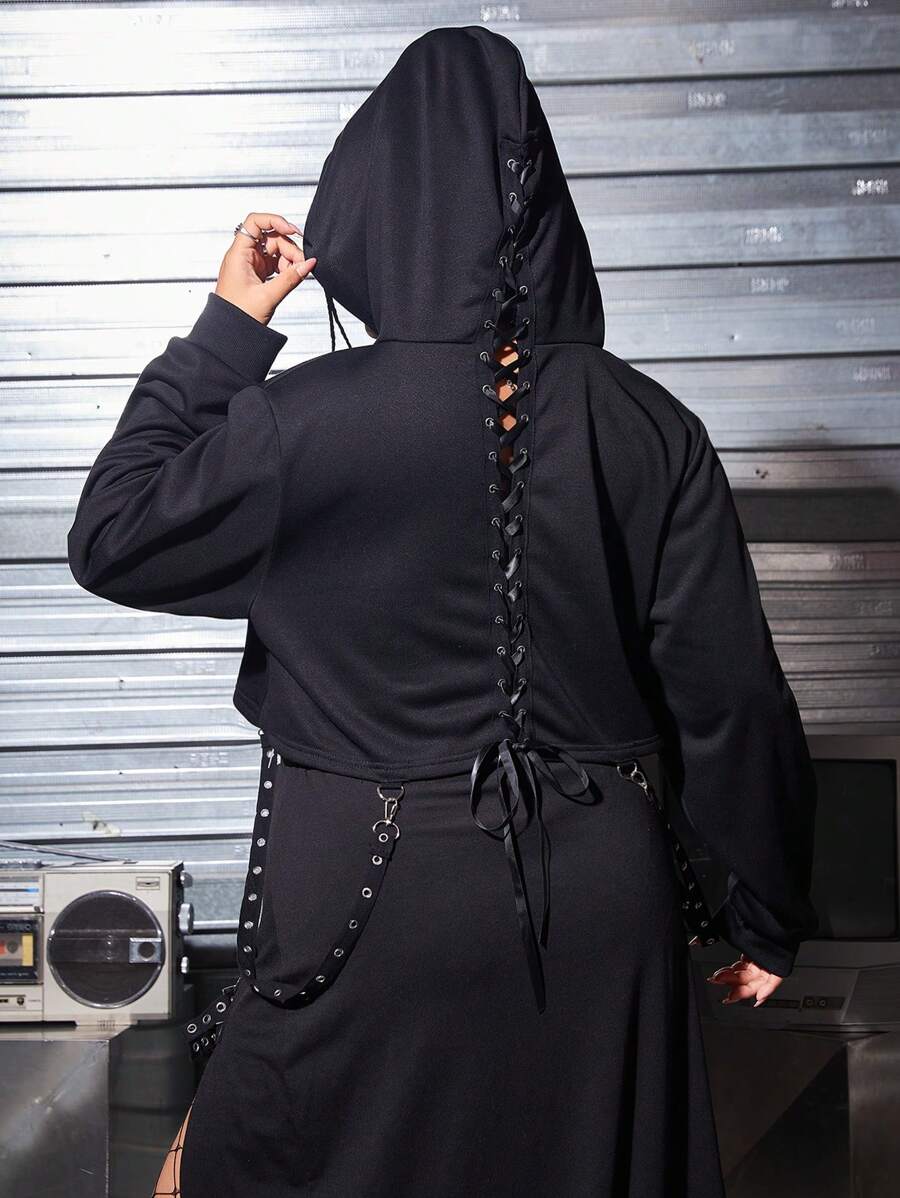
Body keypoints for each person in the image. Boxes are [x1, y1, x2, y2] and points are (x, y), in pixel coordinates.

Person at [67, 25, 818, 1198]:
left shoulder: (300, 422)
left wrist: (228, 331)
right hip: (603, 910)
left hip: (364, 907)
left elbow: (114, 532)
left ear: (373, 199)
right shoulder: (649, 424)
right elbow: (729, 696)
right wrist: (767, 913)